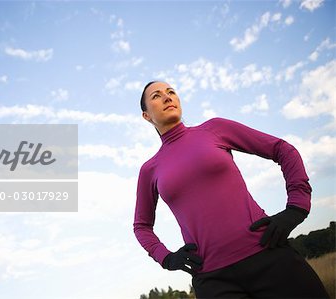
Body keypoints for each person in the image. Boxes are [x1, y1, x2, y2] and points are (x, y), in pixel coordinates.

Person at [133, 81, 329, 298]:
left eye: (171, 92)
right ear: (146, 116)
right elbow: (141, 226)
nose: (167, 97)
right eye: (156, 96)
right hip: (213, 281)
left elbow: (282, 150)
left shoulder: (214, 129)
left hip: (268, 255)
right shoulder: (149, 170)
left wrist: (297, 207)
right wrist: (167, 258)